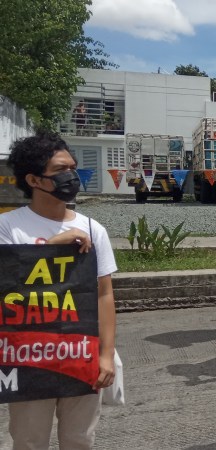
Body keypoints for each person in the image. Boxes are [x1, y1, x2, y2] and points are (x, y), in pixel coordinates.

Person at [1, 132, 117, 450]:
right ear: (33, 180)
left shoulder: (93, 229)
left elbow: (104, 294)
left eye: (73, 168)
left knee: (80, 440)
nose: (71, 176)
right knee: (28, 441)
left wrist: (106, 355)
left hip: (80, 356)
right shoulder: (9, 227)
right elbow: (8, 287)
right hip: (28, 359)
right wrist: (51, 248)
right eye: (60, 170)